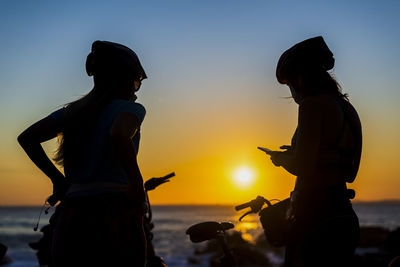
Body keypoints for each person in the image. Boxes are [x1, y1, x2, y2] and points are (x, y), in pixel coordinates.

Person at [18, 40, 148, 267]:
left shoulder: (72, 113)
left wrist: (58, 179)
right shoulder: (130, 109)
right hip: (115, 209)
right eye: (136, 82)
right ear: (123, 78)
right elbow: (118, 134)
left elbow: (27, 138)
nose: (135, 90)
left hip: (73, 213)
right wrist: (137, 186)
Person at [268, 36, 362, 267]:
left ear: (301, 78)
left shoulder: (312, 106)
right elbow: (348, 171)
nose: (291, 92)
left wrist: (282, 159)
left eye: (290, 83)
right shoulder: (346, 107)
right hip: (343, 214)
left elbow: (303, 167)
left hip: (314, 216)